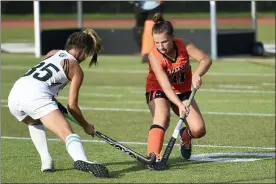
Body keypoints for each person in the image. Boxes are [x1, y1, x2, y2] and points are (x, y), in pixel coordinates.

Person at [8, 29, 109, 177]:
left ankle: (46, 160)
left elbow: (45, 78)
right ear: (83, 50)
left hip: (15, 93)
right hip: (36, 95)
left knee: (34, 121)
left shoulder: (52, 52)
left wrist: (51, 100)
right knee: (67, 134)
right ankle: (81, 160)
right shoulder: (76, 68)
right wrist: (86, 125)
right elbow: (72, 106)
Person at [145, 13, 212, 170]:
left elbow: (206, 59)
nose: (160, 46)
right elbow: (166, 86)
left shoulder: (183, 45)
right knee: (163, 117)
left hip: (182, 90)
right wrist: (178, 104)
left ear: (173, 38)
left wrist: (197, 73)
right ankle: (153, 156)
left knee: (199, 130)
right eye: (156, 42)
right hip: (159, 89)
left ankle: (185, 136)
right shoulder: (154, 56)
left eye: (164, 42)